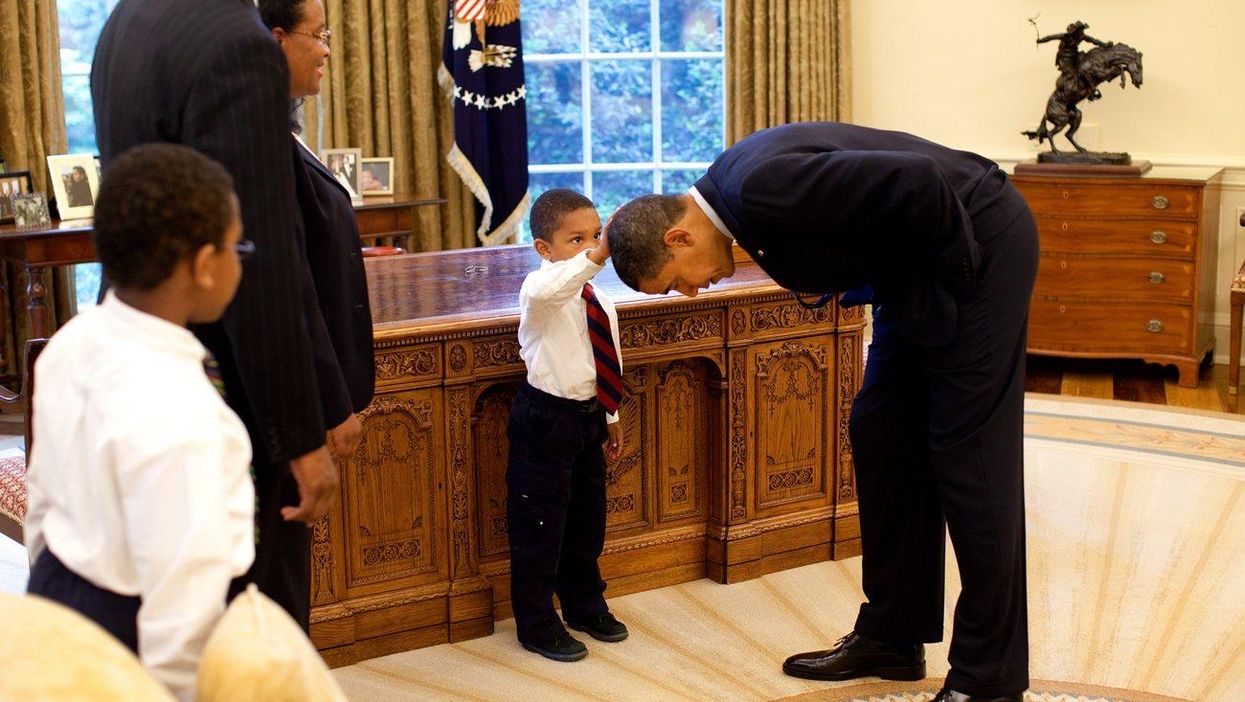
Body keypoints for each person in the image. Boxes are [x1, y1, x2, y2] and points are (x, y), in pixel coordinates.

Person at [606, 122, 1038, 702]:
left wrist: (956, 290)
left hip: (976, 248)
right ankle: (893, 635)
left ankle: (990, 680)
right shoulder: (736, 193)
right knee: (882, 429)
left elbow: (922, 180)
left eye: (672, 285)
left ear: (678, 238)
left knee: (971, 457)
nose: (689, 293)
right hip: (921, 266)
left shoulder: (758, 187)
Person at [92, 0, 339, 630]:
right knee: (255, 619)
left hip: (136, 349)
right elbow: (259, 255)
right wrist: (301, 434)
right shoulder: (238, 42)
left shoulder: (126, 20)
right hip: (225, 382)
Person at [25, 143, 254, 701]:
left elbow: (41, 501)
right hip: (133, 636)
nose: (240, 261)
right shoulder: (185, 414)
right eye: (236, 247)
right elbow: (183, 606)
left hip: (58, 592)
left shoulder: (71, 342)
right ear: (203, 266)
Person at [508, 189, 628, 662]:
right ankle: (536, 623)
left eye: (595, 236)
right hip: (545, 419)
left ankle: (584, 603)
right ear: (544, 249)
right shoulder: (539, 292)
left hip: (588, 418)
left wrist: (611, 415)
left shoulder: (598, 297)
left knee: (586, 519)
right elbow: (550, 288)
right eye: (575, 239)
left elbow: (607, 356)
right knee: (539, 524)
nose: (588, 246)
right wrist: (597, 255)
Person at [260, 0, 373, 469]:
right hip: (301, 402)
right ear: (278, 38)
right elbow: (291, 286)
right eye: (319, 34)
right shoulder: (261, 142)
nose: (327, 51)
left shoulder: (283, 129)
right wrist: (331, 401)